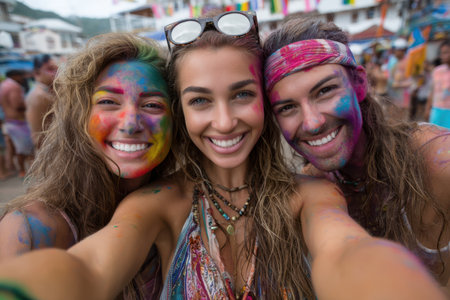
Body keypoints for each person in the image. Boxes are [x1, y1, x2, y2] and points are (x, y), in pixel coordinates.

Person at [0, 11, 446, 300]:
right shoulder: (159, 203)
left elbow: (346, 251)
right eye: (200, 101)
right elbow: (89, 268)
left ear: (266, 103)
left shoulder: (309, 193)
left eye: (241, 95)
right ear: (180, 112)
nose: (225, 120)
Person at [263, 17, 450, 289]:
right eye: (287, 108)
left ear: (359, 84)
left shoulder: (434, 157)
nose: (313, 122)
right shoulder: (312, 187)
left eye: (325, 90)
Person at [0, 32, 173, 298]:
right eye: (107, 102)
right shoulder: (29, 229)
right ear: (78, 117)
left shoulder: (185, 205)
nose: (130, 124)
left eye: (151, 105)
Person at [0, 69, 34, 177]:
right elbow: (17, 105)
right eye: (21, 76)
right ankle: (23, 171)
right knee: (23, 149)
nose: (22, 78)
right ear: (15, 76)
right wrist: (29, 103)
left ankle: (22, 170)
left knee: (19, 148)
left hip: (9, 120)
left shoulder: (4, 85)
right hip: (18, 122)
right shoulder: (14, 86)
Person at [25, 54, 58, 148]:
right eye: (50, 69)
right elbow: (38, 137)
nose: (55, 73)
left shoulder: (46, 91)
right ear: (36, 73)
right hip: (49, 150)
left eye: (56, 69)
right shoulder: (39, 95)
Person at [425, 39, 450, 129]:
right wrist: (428, 109)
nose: (442, 56)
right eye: (441, 53)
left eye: (445, 52)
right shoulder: (437, 71)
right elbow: (432, 91)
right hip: (437, 111)